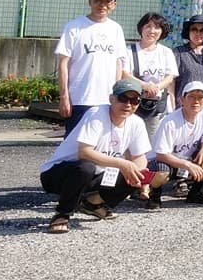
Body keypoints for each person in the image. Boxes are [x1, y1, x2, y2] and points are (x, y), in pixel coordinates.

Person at [40, 78, 150, 233]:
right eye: (123, 98)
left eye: (134, 100)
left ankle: (93, 204)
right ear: (112, 99)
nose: (128, 104)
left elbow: (140, 156)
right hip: (59, 174)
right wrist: (123, 163)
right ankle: (62, 214)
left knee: (136, 172)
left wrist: (138, 174)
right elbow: (84, 152)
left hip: (96, 175)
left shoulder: (137, 123)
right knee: (86, 167)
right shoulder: (97, 113)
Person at [55, 0, 128, 137]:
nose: (102, 5)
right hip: (79, 98)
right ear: (90, 2)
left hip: (107, 99)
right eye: (98, 0)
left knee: (101, 144)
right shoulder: (74, 27)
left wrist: (117, 95)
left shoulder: (116, 29)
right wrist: (64, 96)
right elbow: (63, 63)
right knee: (73, 148)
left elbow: (118, 63)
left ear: (114, 5)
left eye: (108, 1)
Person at [145, 81, 203, 209]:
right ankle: (154, 195)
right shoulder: (170, 121)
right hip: (164, 161)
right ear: (182, 99)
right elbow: (161, 155)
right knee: (161, 171)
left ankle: (194, 193)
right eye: (191, 97)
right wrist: (188, 165)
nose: (196, 101)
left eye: (200, 97)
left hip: (187, 160)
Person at [125, 12, 178, 140]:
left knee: (155, 141)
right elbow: (124, 73)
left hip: (158, 106)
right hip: (133, 103)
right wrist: (145, 86)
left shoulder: (166, 52)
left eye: (157, 27)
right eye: (148, 26)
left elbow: (170, 77)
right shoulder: (129, 50)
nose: (152, 31)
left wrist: (157, 87)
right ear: (141, 28)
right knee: (131, 139)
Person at [174, 15, 203, 109]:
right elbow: (171, 81)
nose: (198, 33)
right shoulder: (178, 52)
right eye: (194, 29)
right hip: (183, 107)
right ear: (188, 32)